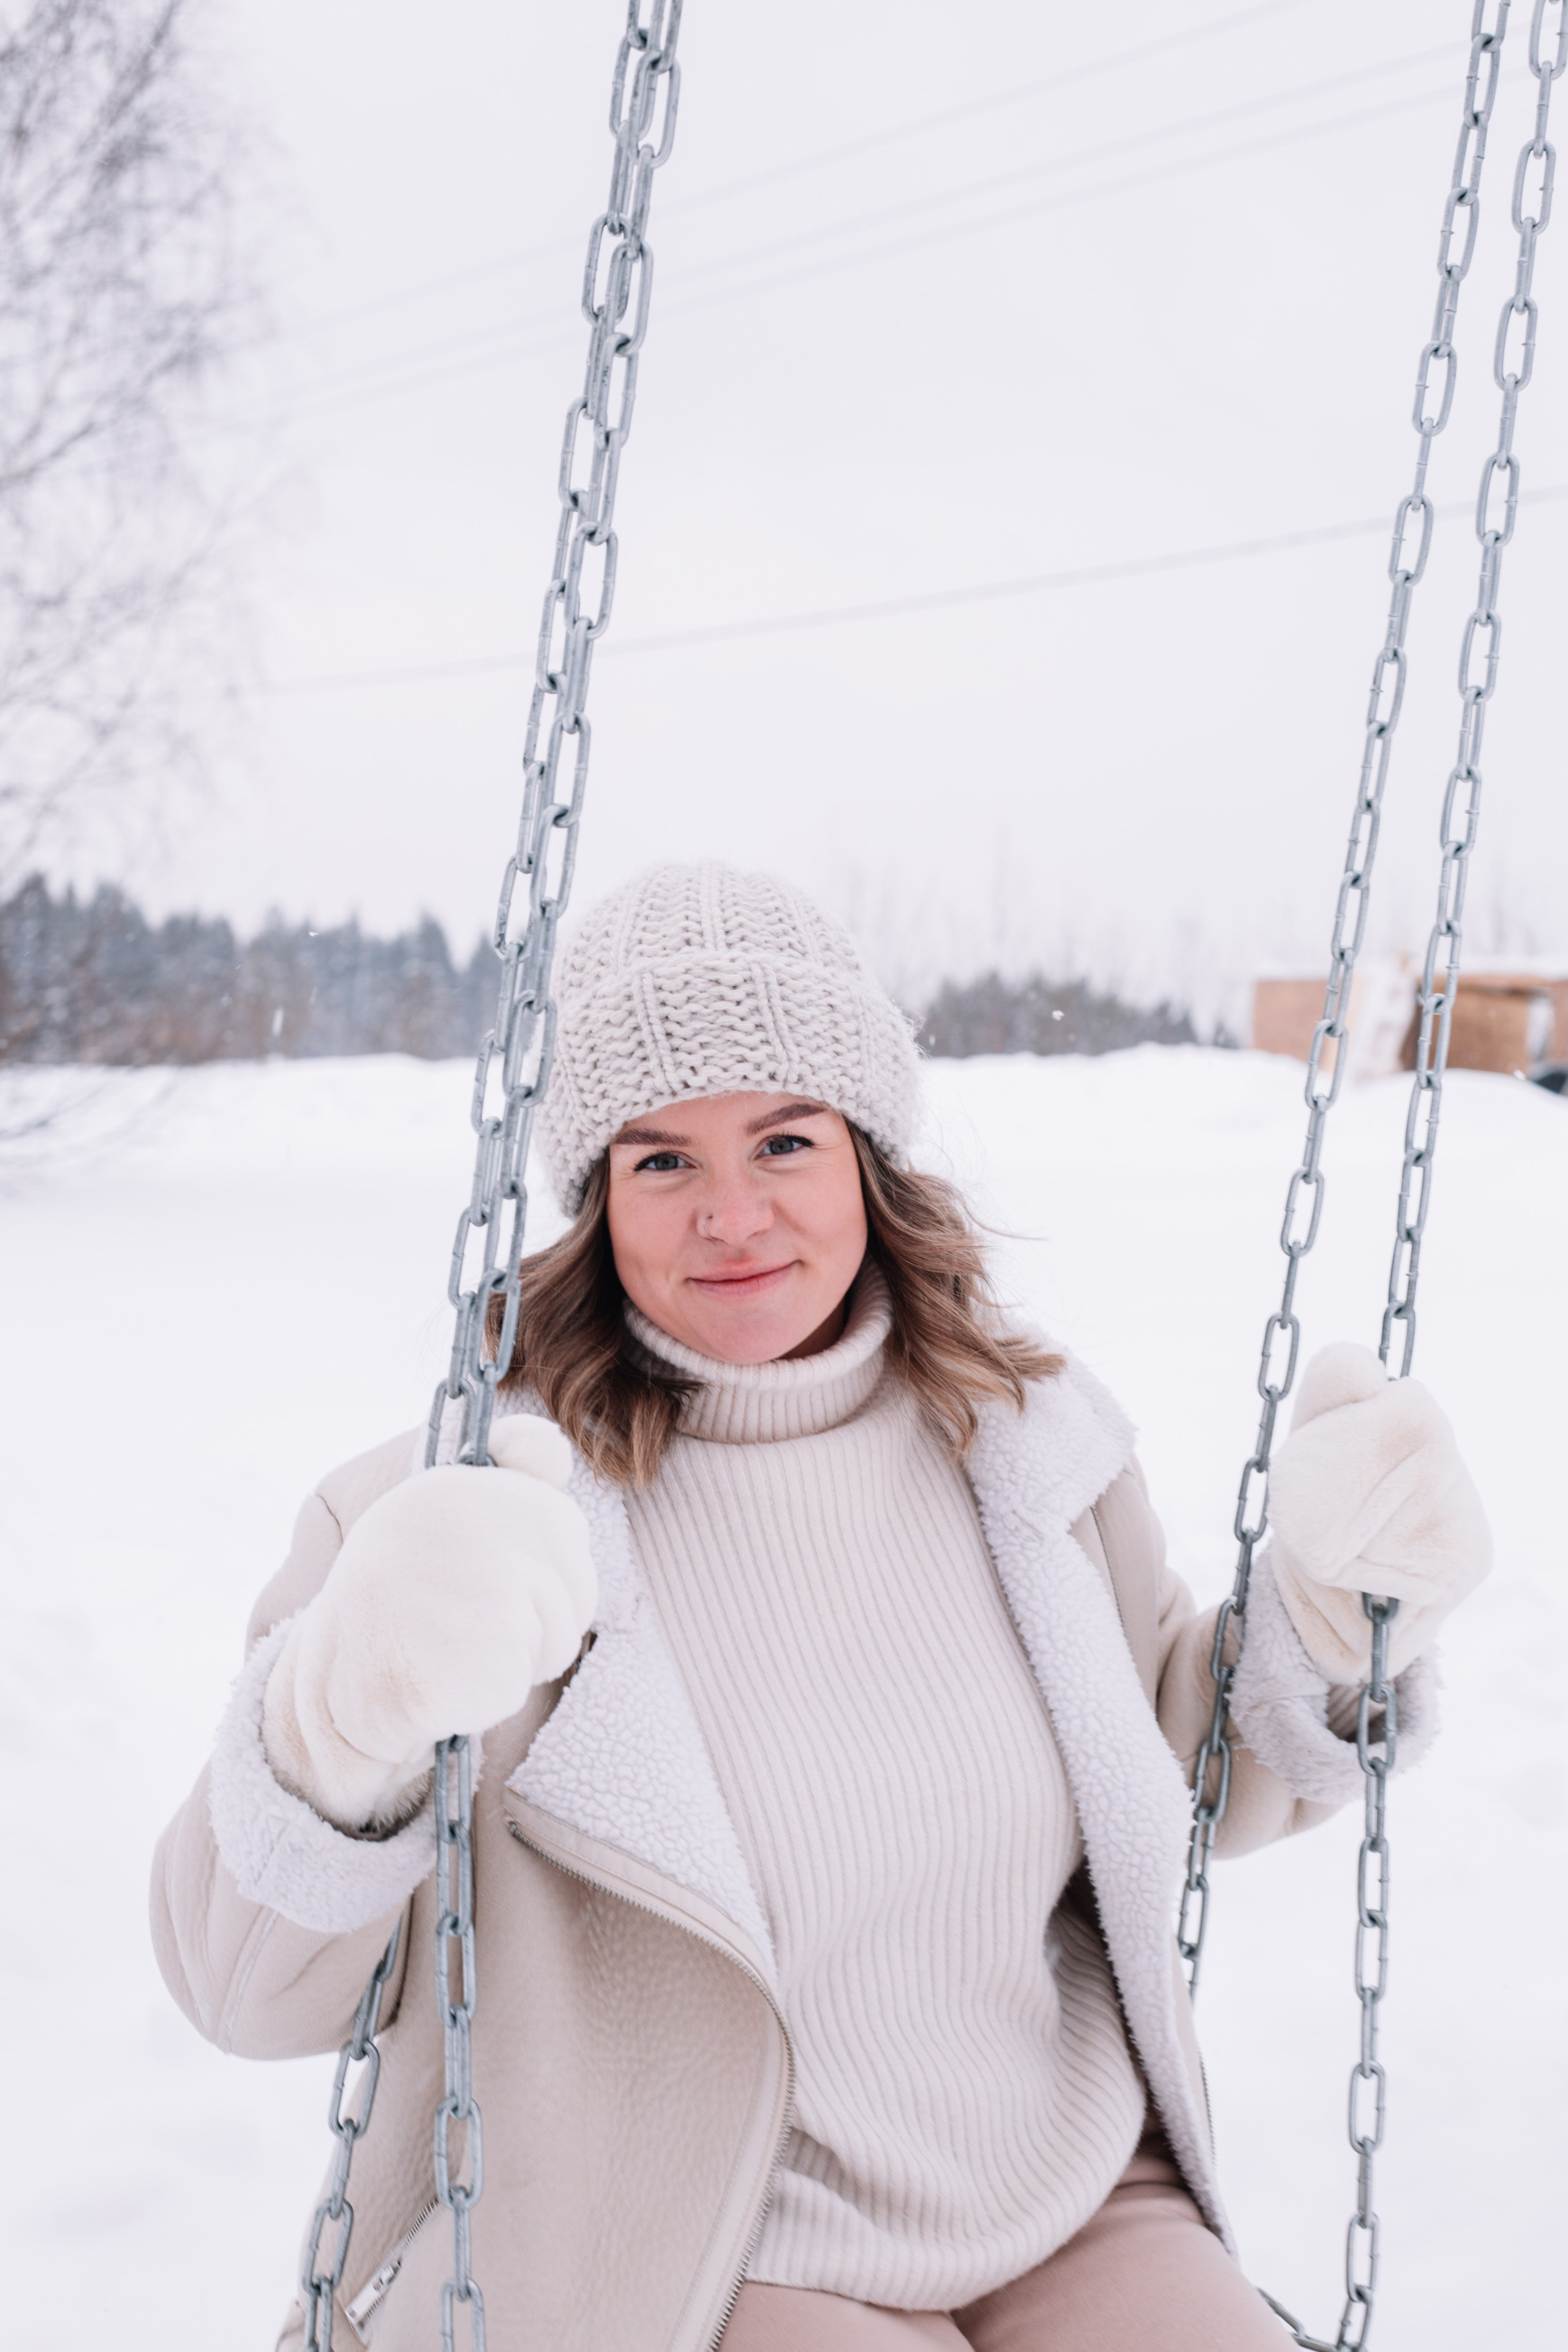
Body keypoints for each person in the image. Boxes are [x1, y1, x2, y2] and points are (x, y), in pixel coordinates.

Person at [152, 862, 1491, 2352]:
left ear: (866, 1156)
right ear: (592, 1201)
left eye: (781, 1140)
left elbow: (1171, 1774)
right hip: (689, 2248)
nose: (731, 1215)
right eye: (658, 1162)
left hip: (1064, 2193)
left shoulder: (1026, 1450)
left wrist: (1329, 1615)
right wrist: (341, 1721)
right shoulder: (468, 1524)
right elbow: (242, 1992)